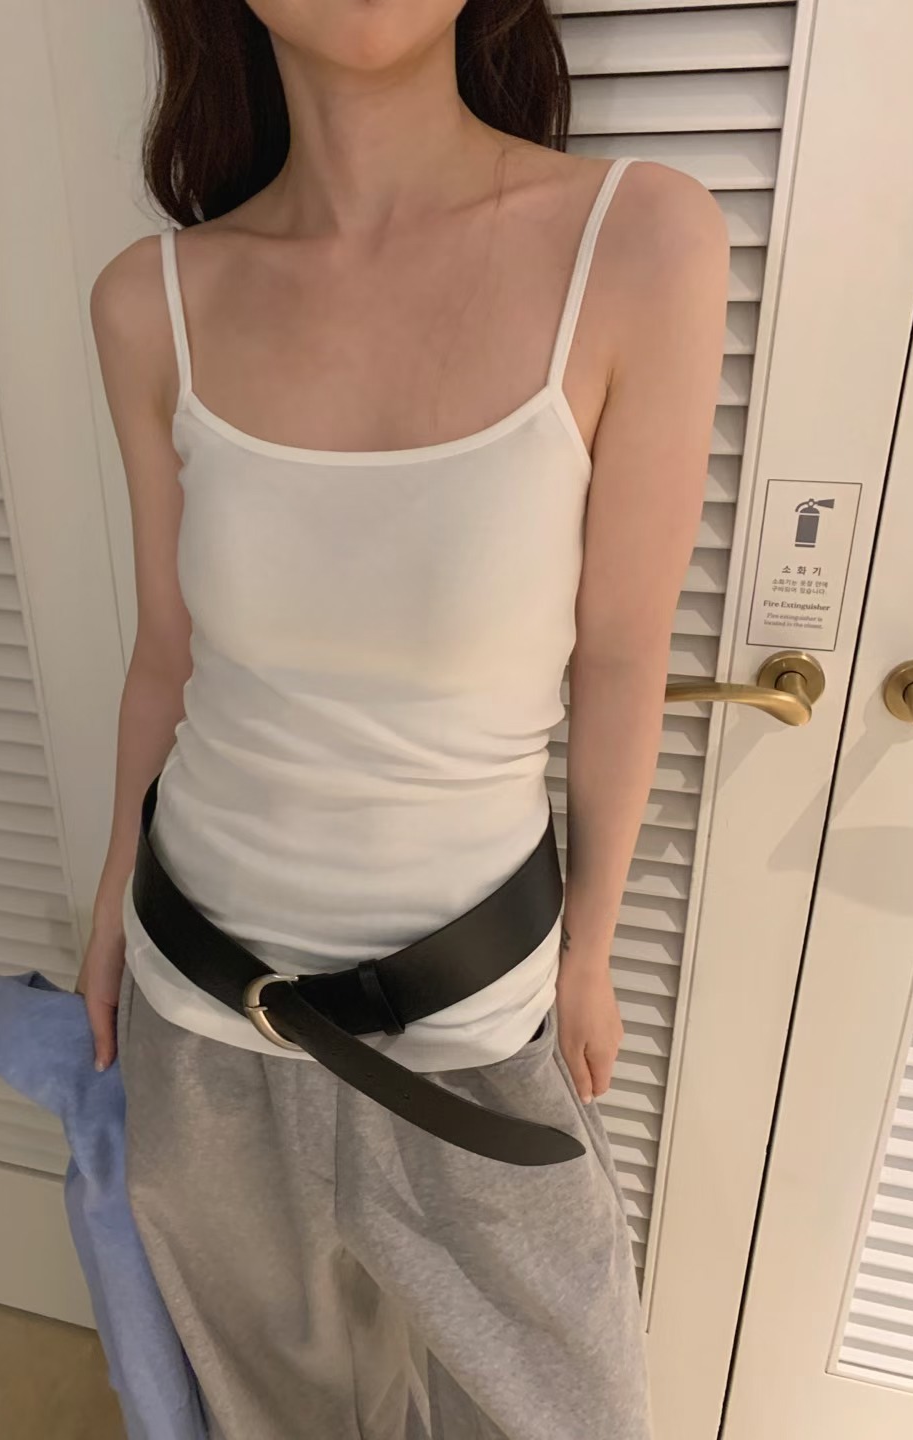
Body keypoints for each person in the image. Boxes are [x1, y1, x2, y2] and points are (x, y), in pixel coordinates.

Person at [79, 2, 729, 1436]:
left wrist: (594, 947)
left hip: (473, 1017)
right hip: (199, 998)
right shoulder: (150, 301)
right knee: (275, 1414)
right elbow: (165, 659)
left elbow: (623, 656)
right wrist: (111, 909)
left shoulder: (639, 240)